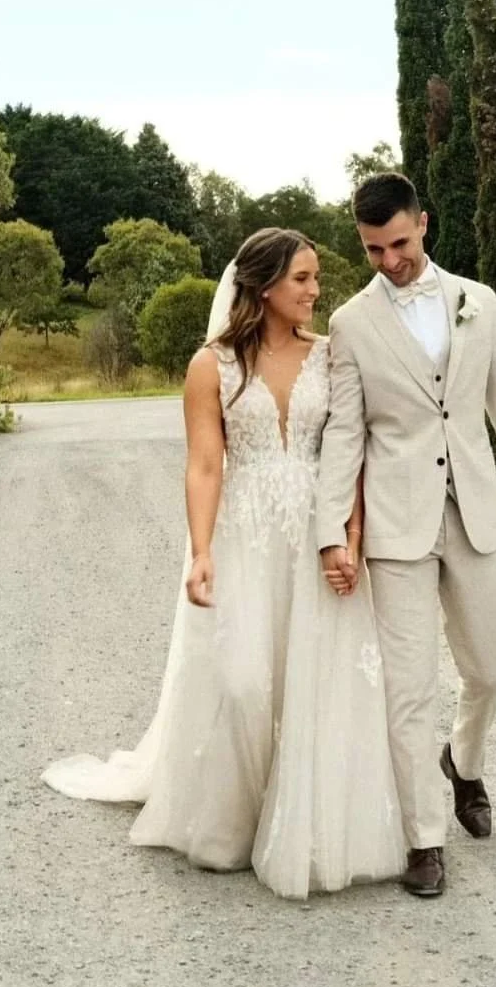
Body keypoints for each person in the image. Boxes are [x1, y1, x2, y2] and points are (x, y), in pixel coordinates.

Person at [42, 227, 405, 900]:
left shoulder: (332, 358)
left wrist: (350, 536)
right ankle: (232, 821)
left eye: (316, 277)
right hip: (245, 536)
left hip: (314, 537)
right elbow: (206, 464)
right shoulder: (212, 366)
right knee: (243, 681)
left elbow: (351, 454)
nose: (315, 290)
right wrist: (202, 550)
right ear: (263, 286)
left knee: (310, 681)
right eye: (302, 278)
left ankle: (299, 825)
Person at [316, 172, 496, 897]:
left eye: (398, 242)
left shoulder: (478, 303)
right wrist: (332, 528)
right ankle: (423, 838)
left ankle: (462, 761)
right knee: (409, 688)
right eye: (372, 250)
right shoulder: (351, 324)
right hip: (396, 529)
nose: (390, 260)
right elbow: (344, 433)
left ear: (424, 223)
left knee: (487, 668)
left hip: (477, 515)